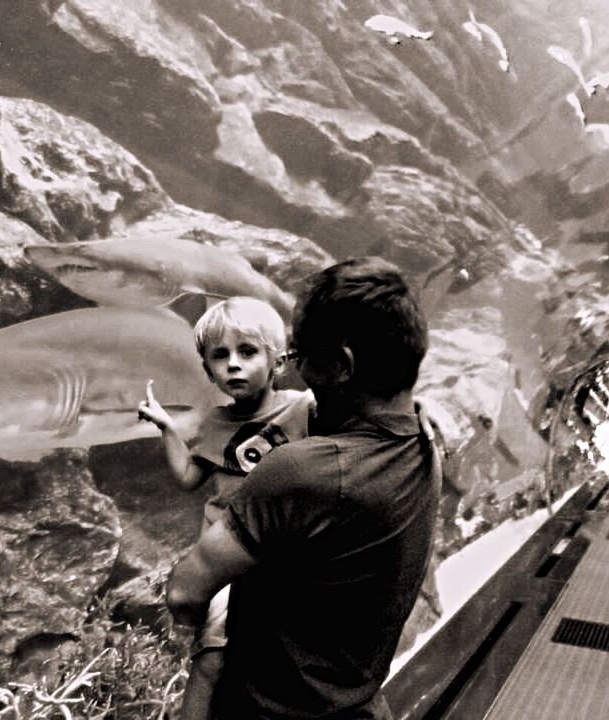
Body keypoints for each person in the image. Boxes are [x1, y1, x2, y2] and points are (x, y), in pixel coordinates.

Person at [165, 257, 442, 720]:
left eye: (299, 358)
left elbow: (184, 593)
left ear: (342, 365)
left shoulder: (301, 472)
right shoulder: (428, 444)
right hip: (358, 699)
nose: (295, 372)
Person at [138, 296, 315, 720]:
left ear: (278, 361)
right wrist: (167, 427)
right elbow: (188, 478)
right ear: (207, 370)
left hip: (290, 553)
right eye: (221, 356)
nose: (233, 364)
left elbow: (360, 423)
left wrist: (418, 406)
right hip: (227, 558)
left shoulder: (304, 408)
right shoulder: (213, 424)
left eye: (248, 352)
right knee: (213, 658)